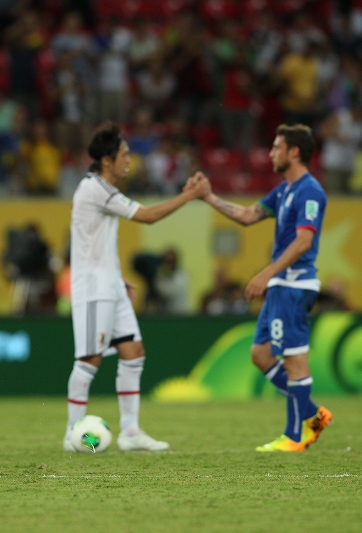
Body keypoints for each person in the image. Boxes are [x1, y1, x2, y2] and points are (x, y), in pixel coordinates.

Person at [64, 122, 209, 452]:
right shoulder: (93, 188)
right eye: (125, 154)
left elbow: (96, 240)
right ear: (106, 159)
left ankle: (130, 432)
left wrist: (117, 275)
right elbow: (147, 216)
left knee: (133, 353)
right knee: (89, 359)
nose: (130, 160)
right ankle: (72, 432)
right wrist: (189, 194)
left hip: (110, 284)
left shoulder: (102, 189)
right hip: (92, 288)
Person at [196, 124, 333, 452]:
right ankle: (313, 414)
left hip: (294, 284)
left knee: (293, 359)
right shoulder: (284, 190)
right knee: (260, 354)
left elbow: (304, 241)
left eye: (276, 147)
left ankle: (294, 436)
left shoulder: (310, 191)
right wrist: (208, 197)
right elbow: (246, 215)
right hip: (280, 284)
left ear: (294, 152)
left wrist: (264, 273)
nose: (270, 153)